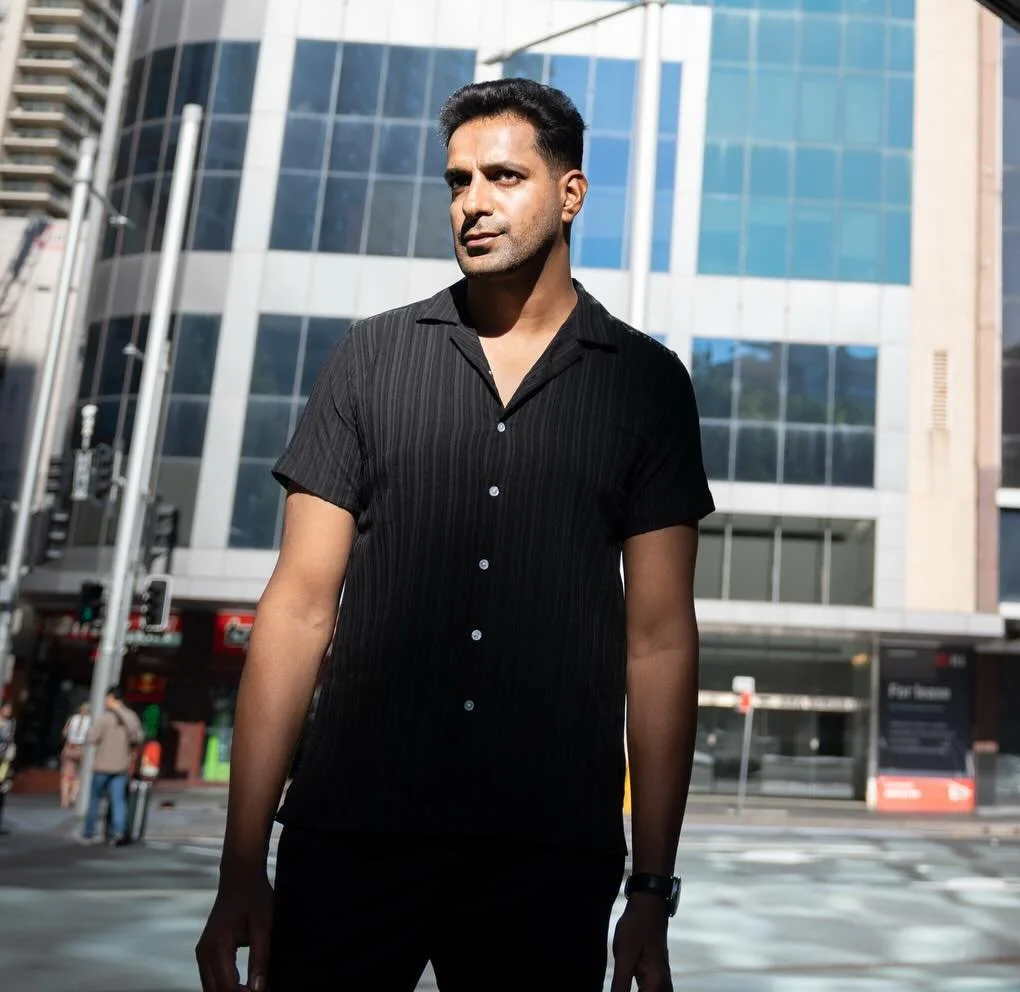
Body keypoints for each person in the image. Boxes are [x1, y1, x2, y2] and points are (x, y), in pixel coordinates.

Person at [197, 77, 713, 992]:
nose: (472, 202)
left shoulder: (647, 382)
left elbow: (661, 638)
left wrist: (651, 889)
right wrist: (242, 866)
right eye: (457, 180)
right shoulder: (372, 357)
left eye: (503, 176)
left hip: (547, 852)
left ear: (570, 193)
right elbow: (300, 607)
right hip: (351, 836)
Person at [83, 687, 142, 845]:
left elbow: (91, 738)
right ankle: (118, 831)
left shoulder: (105, 718)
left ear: (111, 698)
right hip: (121, 767)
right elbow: (138, 737)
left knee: (95, 800)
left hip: (102, 766)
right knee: (118, 801)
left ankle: (89, 832)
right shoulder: (131, 717)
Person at [60, 699, 91, 809]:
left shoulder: (72, 719)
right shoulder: (90, 720)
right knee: (78, 775)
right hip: (82, 748)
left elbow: (64, 733)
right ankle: (73, 795)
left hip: (70, 747)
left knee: (67, 775)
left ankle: (64, 799)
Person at [0, 699, 15, 834]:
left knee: (2, 791)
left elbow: (11, 741)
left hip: (4, 762)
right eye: (7, 708)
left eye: (10, 709)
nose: (9, 711)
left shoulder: (11, 723)